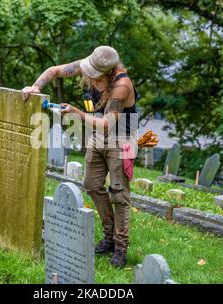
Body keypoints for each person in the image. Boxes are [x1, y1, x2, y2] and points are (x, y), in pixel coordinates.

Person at [22, 46, 138, 268]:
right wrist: (35, 87)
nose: (90, 78)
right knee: (91, 184)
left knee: (119, 194)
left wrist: (77, 113)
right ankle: (108, 237)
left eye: (95, 77)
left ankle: (121, 247)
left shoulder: (122, 85)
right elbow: (54, 70)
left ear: (108, 72)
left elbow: (107, 125)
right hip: (98, 137)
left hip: (121, 139)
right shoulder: (88, 64)